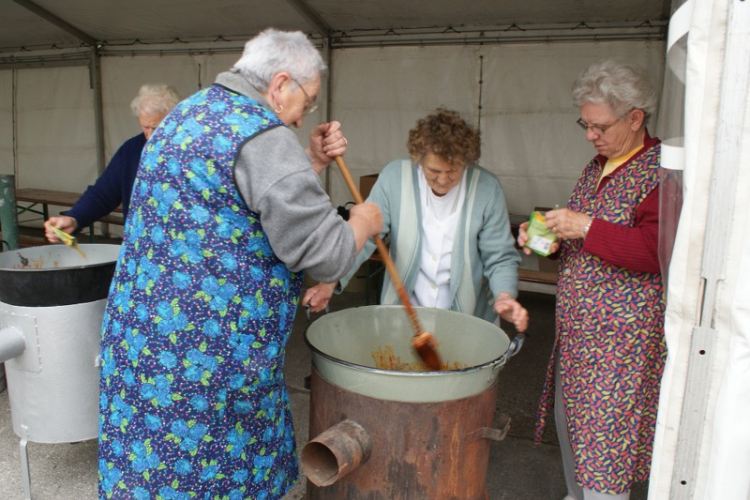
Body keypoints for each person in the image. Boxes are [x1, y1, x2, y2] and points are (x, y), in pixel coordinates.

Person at [96, 29, 382, 500]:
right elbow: (324, 252)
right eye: (306, 102)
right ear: (280, 84)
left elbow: (235, 205)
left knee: (151, 478)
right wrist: (362, 221)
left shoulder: (188, 112)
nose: (302, 115)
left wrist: (307, 161)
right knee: (213, 479)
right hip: (208, 362)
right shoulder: (264, 136)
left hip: (143, 344)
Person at [517, 60, 664, 500]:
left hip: (620, 347)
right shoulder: (598, 165)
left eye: (599, 125)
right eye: (585, 123)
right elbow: (575, 236)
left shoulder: (658, 172)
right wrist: (541, 238)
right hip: (579, 337)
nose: (589, 135)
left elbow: (657, 251)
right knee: (573, 428)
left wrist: (585, 227)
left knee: (605, 444)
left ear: (635, 118)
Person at [304, 108, 528, 332]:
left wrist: (504, 295)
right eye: (433, 170)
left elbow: (499, 257)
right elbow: (368, 237)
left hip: (468, 320)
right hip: (402, 316)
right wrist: (331, 281)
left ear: (467, 162)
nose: (442, 179)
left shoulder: (487, 189)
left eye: (453, 171)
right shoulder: (395, 178)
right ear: (419, 157)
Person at [44, 84, 181, 242]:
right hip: (140, 248)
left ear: (175, 119)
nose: (149, 136)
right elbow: (103, 193)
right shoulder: (131, 150)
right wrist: (74, 218)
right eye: (145, 127)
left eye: (156, 128)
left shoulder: (192, 152)